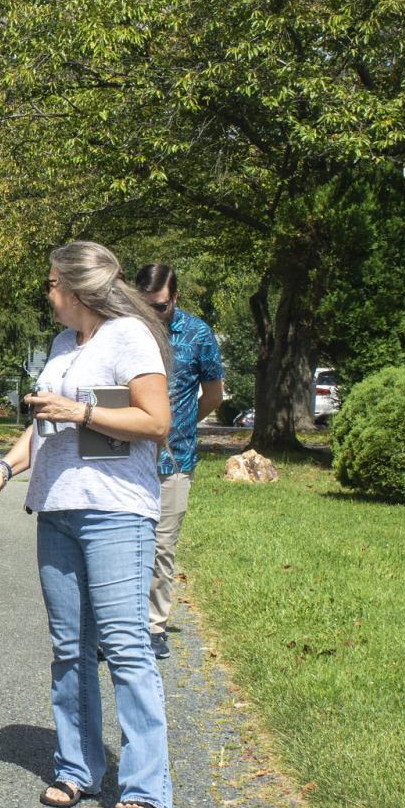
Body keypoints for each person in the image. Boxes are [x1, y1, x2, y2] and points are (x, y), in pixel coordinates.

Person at [0, 241, 175, 808]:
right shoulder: (65, 346)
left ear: (77, 287)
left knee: (125, 647)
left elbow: (155, 422)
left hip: (115, 511)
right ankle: (77, 768)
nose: (48, 293)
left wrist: (81, 412)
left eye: (52, 284)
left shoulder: (130, 337)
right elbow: (44, 424)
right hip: (58, 510)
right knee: (70, 648)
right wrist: (6, 467)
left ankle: (146, 790)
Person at [133, 264, 224, 659]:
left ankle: (154, 627)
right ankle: (118, 628)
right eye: (147, 306)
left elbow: (214, 395)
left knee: (160, 547)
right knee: (123, 545)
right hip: (126, 458)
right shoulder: (126, 330)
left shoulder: (198, 334)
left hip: (175, 458)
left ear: (176, 298)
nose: (155, 314)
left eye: (162, 307)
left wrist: (181, 424)